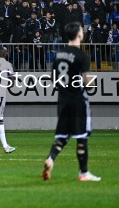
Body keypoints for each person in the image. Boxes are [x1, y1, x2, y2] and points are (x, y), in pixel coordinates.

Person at [42, 22, 101, 182]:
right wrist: (92, 83)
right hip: (78, 100)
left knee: (64, 135)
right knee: (82, 136)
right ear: (80, 34)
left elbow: (54, 78)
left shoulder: (59, 54)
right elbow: (87, 81)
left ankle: (51, 158)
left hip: (62, 100)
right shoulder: (82, 56)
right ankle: (84, 172)